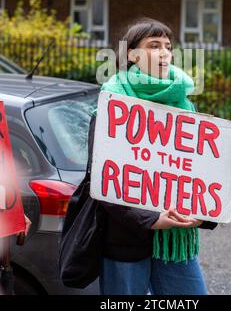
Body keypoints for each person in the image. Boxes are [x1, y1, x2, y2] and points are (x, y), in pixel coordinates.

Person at [89, 17, 218, 296]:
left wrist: (202, 213)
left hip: (175, 242)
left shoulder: (185, 103)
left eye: (168, 46)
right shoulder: (112, 100)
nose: (164, 53)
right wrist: (150, 219)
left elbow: (200, 171)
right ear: (133, 55)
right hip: (125, 239)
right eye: (154, 45)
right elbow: (101, 178)